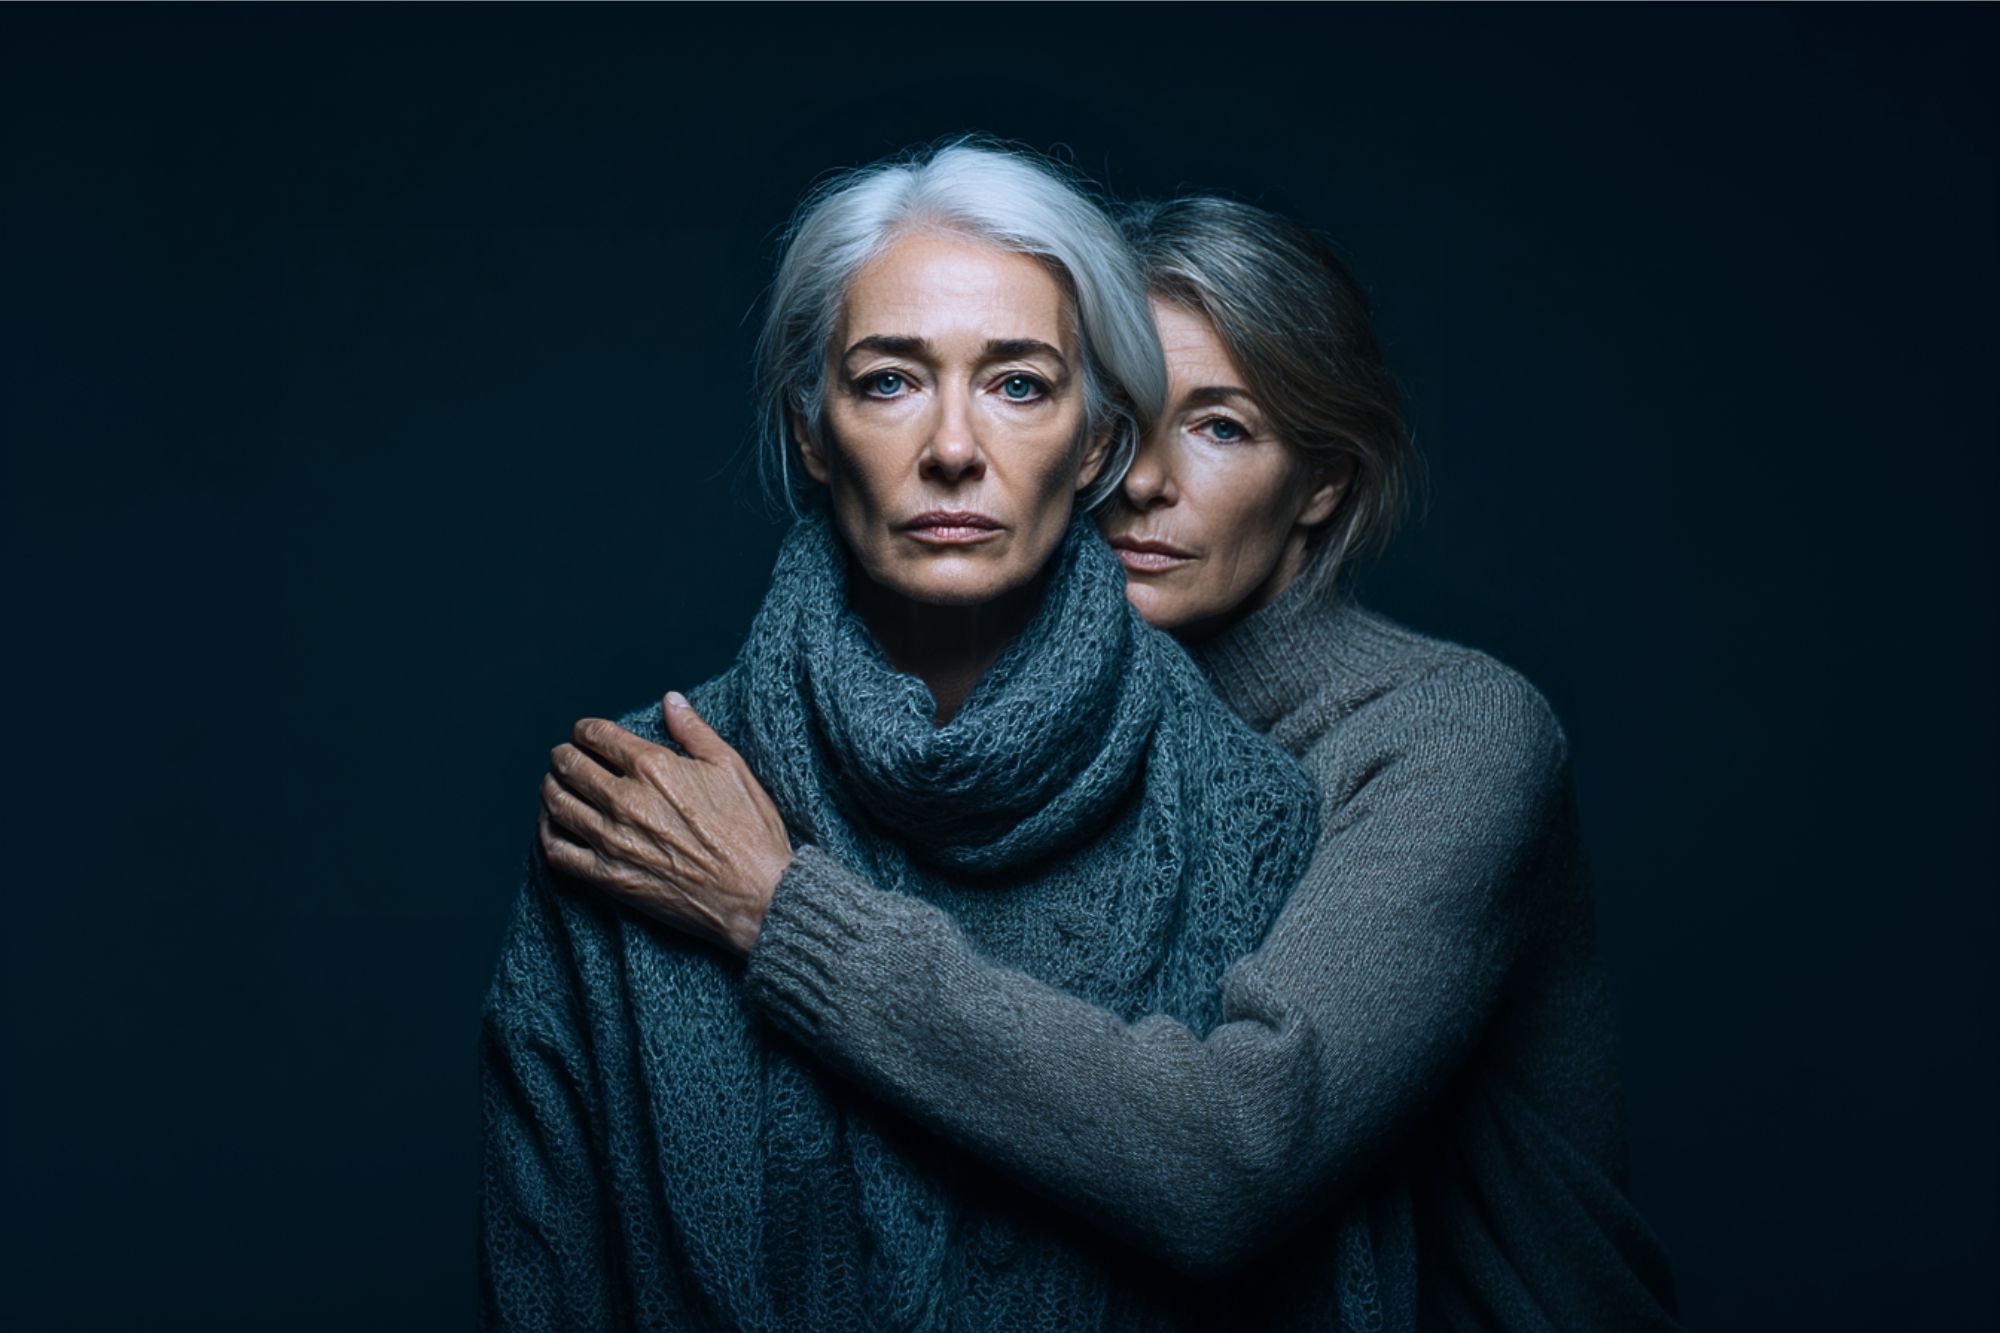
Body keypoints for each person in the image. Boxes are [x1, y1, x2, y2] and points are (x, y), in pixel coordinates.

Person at [545, 196, 1684, 1330]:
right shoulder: (1055, 738)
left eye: (1221, 427)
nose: (1144, 483)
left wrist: (780, 910)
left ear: (1322, 483)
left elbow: (1235, 1152)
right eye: (1123, 423)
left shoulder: (1452, 732)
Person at [479, 146, 1350, 1331]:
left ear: (1097, 444)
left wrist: (777, 912)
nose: (951, 447)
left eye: (1018, 385)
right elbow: (544, 1281)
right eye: (889, 381)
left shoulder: (1250, 817)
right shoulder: (637, 805)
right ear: (812, 429)